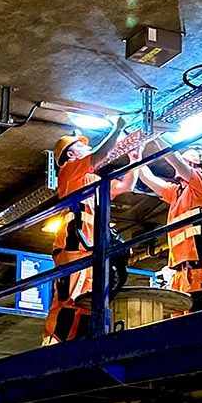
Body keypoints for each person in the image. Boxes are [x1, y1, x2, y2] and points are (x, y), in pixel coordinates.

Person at [43, 122, 134, 345]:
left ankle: (79, 344)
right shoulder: (69, 171)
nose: (88, 148)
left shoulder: (93, 181)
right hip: (74, 249)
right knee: (68, 301)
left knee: (86, 303)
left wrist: (134, 160)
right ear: (71, 154)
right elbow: (100, 155)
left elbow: (127, 186)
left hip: (90, 251)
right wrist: (118, 128)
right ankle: (53, 344)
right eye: (83, 146)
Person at [136, 143, 202, 313]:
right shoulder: (176, 193)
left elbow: (175, 159)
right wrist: (135, 155)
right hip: (179, 271)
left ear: (197, 169)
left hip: (197, 268)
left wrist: (157, 136)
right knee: (180, 324)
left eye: (189, 163)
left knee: (197, 321)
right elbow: (148, 178)